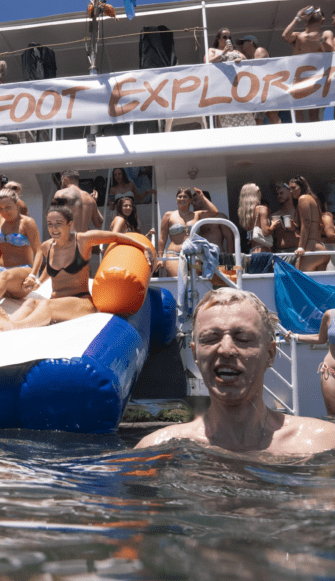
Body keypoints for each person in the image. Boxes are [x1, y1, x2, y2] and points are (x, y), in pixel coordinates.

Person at [136, 288, 335, 454]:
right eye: (210, 338)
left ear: (270, 353)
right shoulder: (156, 449)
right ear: (195, 355)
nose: (226, 349)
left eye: (243, 338)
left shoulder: (325, 442)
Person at [0, 202, 154, 333]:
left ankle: (12, 327)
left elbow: (115, 237)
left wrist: (144, 247)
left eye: (58, 224)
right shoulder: (47, 246)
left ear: (69, 224)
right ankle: (1, 326)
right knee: (31, 302)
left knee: (45, 305)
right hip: (56, 301)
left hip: (80, 303)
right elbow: (47, 271)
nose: (53, 228)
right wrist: (36, 282)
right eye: (50, 224)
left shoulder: (83, 240)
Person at [282, 6, 330, 121]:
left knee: (314, 112)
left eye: (318, 11)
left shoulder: (323, 36)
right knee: (298, 112)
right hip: (297, 79)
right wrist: (297, 17)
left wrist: (320, 40)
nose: (315, 11)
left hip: (316, 79)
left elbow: (331, 52)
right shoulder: (298, 36)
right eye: (313, 11)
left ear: (322, 19)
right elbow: (285, 36)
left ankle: (317, 138)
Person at [158, 187, 219, 277]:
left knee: (197, 279)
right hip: (174, 256)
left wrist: (202, 196)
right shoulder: (168, 215)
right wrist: (160, 258)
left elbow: (214, 212)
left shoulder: (197, 214)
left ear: (190, 200)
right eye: (179, 196)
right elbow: (162, 238)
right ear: (176, 199)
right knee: (177, 279)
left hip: (195, 256)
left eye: (185, 197)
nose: (182, 199)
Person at [287, 309, 335, 415]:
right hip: (330, 372)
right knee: (333, 416)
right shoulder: (329, 314)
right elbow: (320, 338)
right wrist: (295, 337)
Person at [205, 28, 254, 128]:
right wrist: (224, 52)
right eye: (224, 37)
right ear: (218, 39)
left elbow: (246, 60)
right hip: (222, 88)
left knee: (243, 114)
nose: (227, 39)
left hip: (238, 88)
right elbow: (208, 62)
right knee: (224, 115)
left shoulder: (235, 51)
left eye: (229, 37)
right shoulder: (212, 50)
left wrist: (240, 59)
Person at [236, 35, 281, 125]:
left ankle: (284, 137)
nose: (241, 45)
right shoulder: (250, 58)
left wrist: (243, 63)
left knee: (271, 114)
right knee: (257, 119)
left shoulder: (259, 50)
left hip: (267, 89)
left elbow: (260, 69)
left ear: (251, 42)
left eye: (243, 42)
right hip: (258, 91)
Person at [288, 175, 329, 271]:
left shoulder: (303, 198)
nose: (291, 191)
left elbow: (306, 225)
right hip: (320, 249)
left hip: (312, 250)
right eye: (289, 189)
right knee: (316, 285)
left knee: (300, 281)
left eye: (294, 188)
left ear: (302, 187)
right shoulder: (312, 199)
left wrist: (301, 247)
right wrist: (294, 228)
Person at [237, 183, 280, 254]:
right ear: (254, 194)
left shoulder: (244, 213)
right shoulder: (262, 209)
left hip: (252, 250)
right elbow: (265, 232)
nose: (260, 193)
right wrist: (273, 224)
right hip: (263, 250)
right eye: (258, 191)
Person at [192, 190, 235, 254]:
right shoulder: (192, 219)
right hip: (198, 259)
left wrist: (230, 259)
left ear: (205, 200)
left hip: (217, 256)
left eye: (195, 200)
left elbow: (229, 238)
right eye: (192, 201)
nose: (192, 203)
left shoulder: (220, 216)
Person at [271, 182, 300, 254]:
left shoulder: (299, 213)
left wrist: (294, 229)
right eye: (278, 194)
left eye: (281, 193)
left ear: (290, 193)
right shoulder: (274, 215)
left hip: (297, 252)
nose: (279, 196)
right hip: (280, 254)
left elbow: (308, 234)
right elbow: (271, 238)